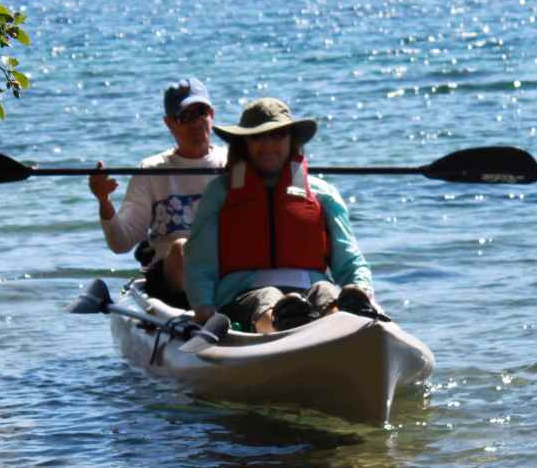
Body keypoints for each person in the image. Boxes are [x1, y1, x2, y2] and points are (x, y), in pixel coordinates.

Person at [183, 97, 381, 333]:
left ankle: (347, 324)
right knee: (268, 296)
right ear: (244, 143)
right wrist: (203, 306)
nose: (267, 145)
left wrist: (362, 288)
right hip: (242, 297)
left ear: (291, 140)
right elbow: (200, 262)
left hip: (311, 290)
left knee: (327, 291)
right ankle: (283, 328)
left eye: (277, 135)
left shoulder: (323, 193)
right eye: (257, 137)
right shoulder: (219, 193)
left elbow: (349, 260)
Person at [89, 78, 227, 307]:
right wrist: (104, 200)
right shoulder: (151, 170)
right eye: (185, 117)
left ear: (211, 114)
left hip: (224, 272)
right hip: (170, 279)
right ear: (169, 123)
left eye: (200, 113)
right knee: (181, 248)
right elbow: (121, 243)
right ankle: (202, 314)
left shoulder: (234, 164)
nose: (195, 123)